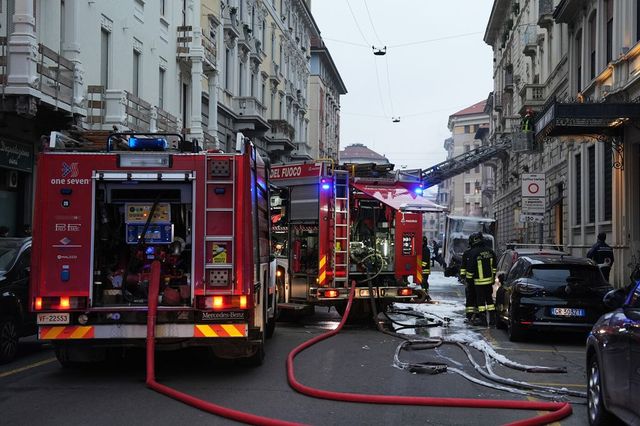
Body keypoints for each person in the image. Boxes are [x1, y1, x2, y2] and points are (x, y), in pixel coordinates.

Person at [465, 232, 498, 326]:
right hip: (489, 282)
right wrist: (492, 277)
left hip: (479, 282)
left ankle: (483, 321)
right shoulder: (490, 251)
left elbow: (470, 269)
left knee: (480, 302)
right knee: (490, 301)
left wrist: (468, 280)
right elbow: (495, 267)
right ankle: (492, 320)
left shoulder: (474, 252)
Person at [460, 234, 477, 324]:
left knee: (470, 299)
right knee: (478, 299)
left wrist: (463, 278)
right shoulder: (479, 252)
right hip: (478, 281)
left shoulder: (467, 253)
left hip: (470, 281)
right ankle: (477, 315)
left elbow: (463, 267)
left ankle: (470, 316)